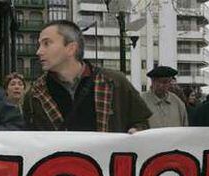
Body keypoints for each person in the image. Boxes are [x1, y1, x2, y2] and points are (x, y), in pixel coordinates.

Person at [22, 20, 151, 133]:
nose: (38, 51)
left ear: (71, 49)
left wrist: (137, 132)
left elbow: (142, 122)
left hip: (106, 160)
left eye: (46, 43)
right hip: (58, 161)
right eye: (39, 45)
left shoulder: (115, 82)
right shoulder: (34, 95)